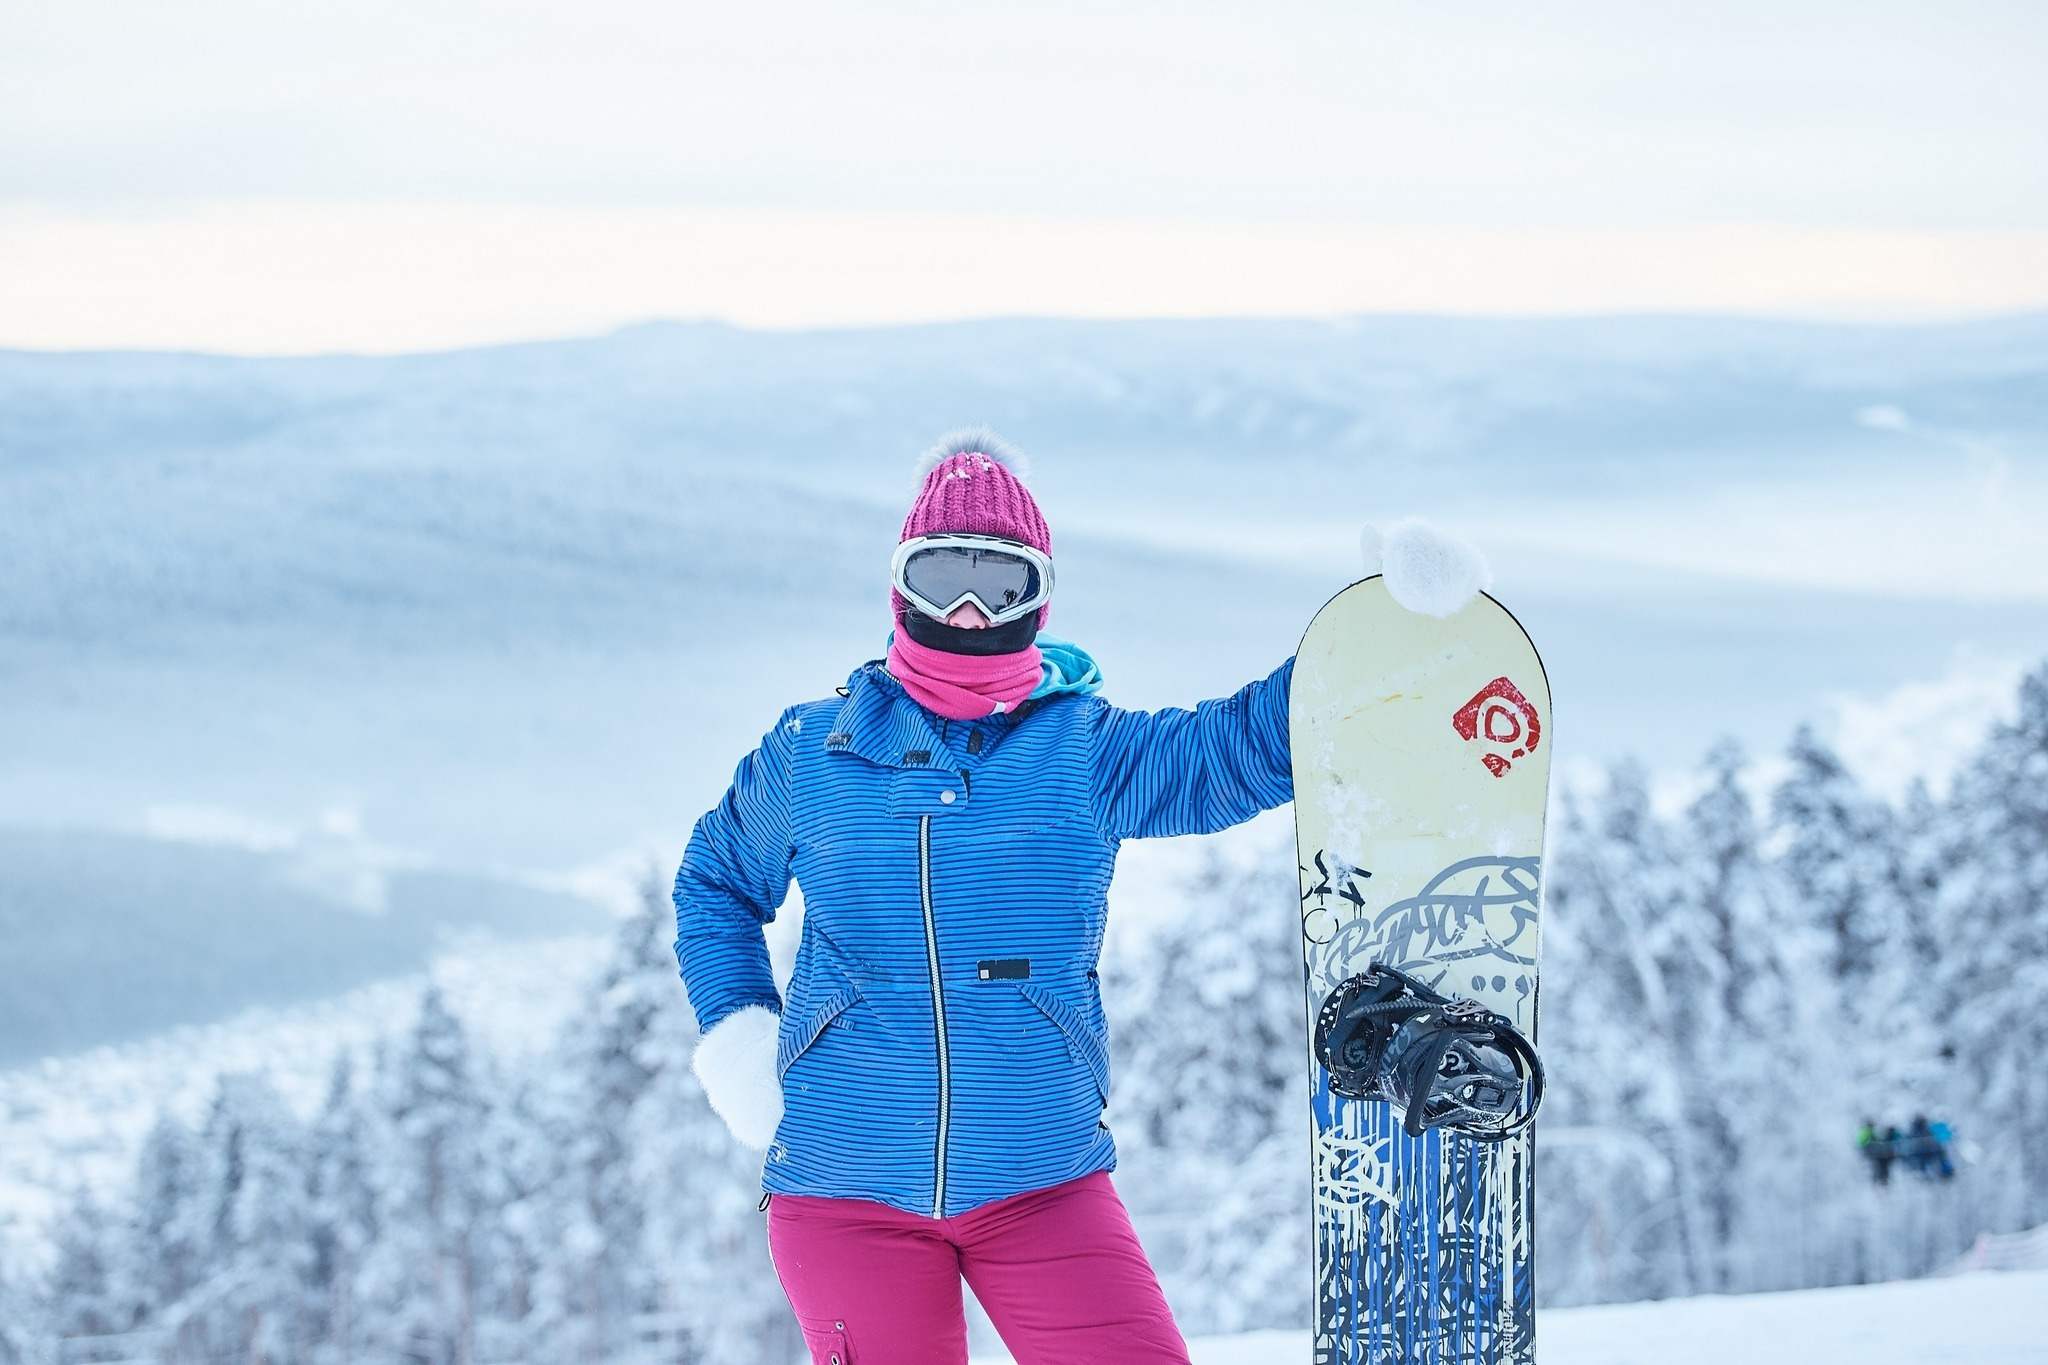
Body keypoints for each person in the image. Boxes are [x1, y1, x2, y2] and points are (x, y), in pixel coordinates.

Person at [672, 429, 1482, 1365]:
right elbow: (716, 880)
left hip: (1041, 1183)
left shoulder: (1084, 752)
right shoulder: (815, 754)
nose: (971, 612)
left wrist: (1380, 637)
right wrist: (736, 1031)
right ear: (901, 587)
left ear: (1039, 595)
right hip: (844, 1194)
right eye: (944, 577)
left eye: (1000, 581)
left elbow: (1237, 747)